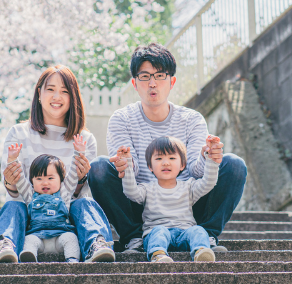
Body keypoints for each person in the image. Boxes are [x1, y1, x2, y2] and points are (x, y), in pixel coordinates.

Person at [88, 43, 247, 253]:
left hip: (186, 203)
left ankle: (205, 235)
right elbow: (131, 175)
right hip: (141, 200)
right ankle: (134, 238)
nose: (152, 83)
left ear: (172, 81)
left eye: (160, 75)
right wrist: (125, 163)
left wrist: (208, 157)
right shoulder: (122, 119)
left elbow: (195, 171)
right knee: (98, 167)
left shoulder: (192, 119)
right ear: (135, 83)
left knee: (234, 164)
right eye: (145, 76)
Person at [0, 65, 115, 264]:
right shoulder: (19, 134)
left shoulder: (84, 139)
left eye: (64, 91)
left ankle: (95, 245)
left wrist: (80, 179)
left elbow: (78, 198)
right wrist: (10, 182)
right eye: (51, 89)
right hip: (29, 221)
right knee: (12, 206)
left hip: (67, 225)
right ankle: (5, 246)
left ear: (73, 97)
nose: (57, 97)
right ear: (39, 93)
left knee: (86, 203)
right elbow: (17, 195)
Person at [119, 135, 221, 263]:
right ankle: (158, 255)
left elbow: (208, 183)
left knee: (198, 230)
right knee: (159, 231)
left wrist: (211, 160)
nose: (166, 163)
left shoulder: (189, 187)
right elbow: (130, 192)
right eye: (159, 158)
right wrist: (127, 165)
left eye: (172, 158)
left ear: (182, 165)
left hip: (184, 234)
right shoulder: (147, 188)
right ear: (150, 166)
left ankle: (201, 252)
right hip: (156, 235)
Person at [7, 136, 91, 263]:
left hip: (60, 237)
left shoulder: (64, 191)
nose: (45, 182)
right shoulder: (30, 194)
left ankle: (72, 260)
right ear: (32, 181)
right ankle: (29, 258)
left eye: (50, 178)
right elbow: (19, 178)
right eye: (39, 179)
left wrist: (79, 152)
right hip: (38, 237)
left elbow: (74, 172)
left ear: (61, 179)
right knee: (29, 240)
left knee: (71, 238)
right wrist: (13, 159)